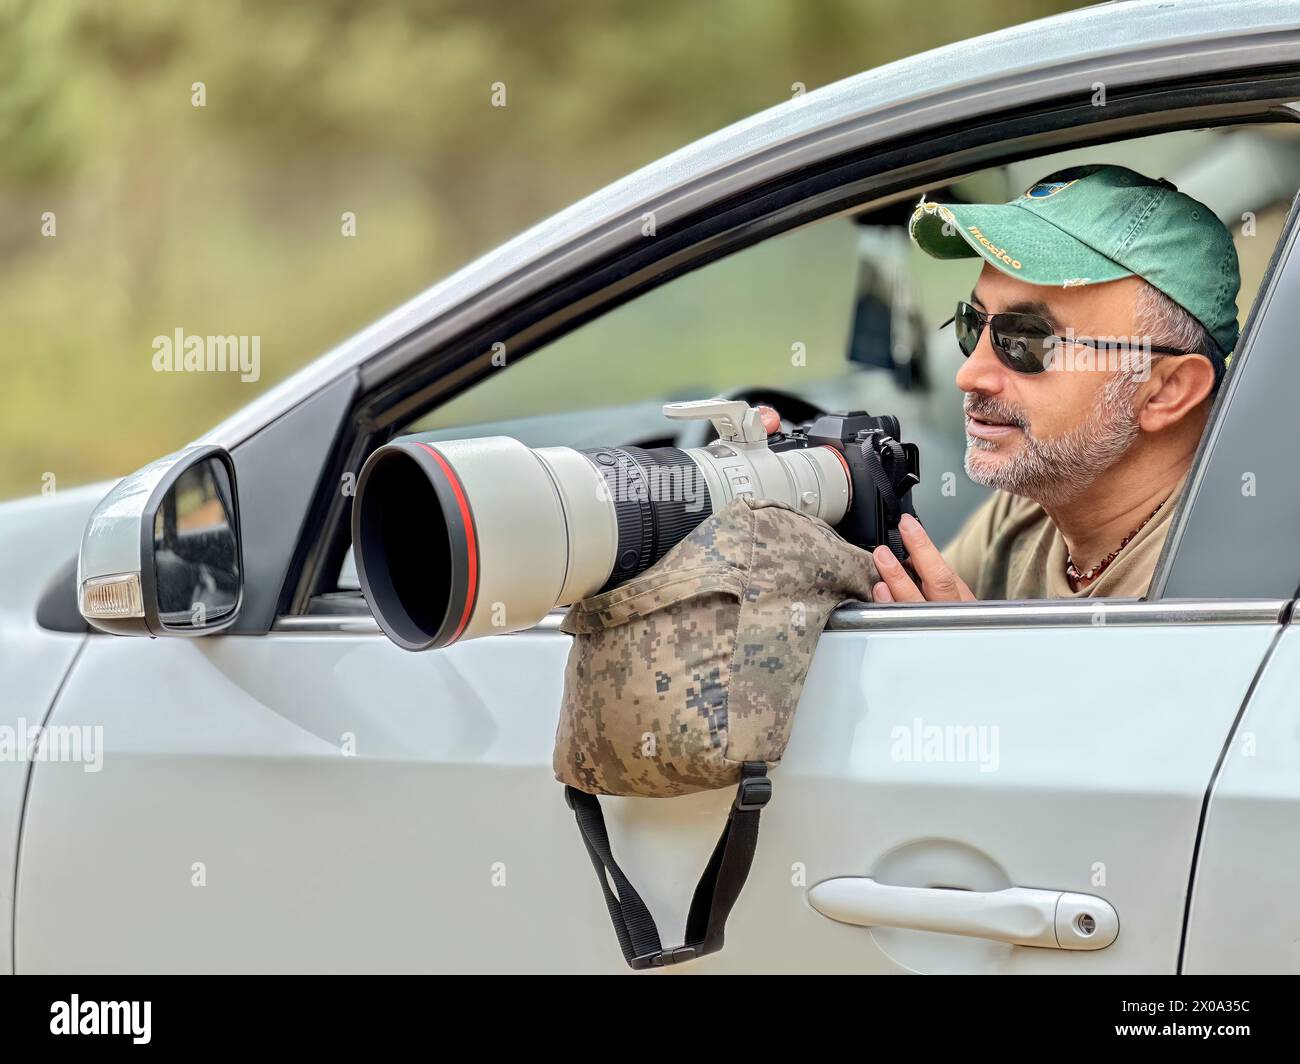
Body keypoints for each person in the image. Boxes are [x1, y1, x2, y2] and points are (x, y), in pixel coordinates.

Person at [866, 163, 1240, 602]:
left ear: (1165, 391)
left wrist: (963, 663)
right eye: (972, 324)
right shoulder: (1041, 498)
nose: (968, 375)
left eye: (1025, 339)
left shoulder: (1221, 585)